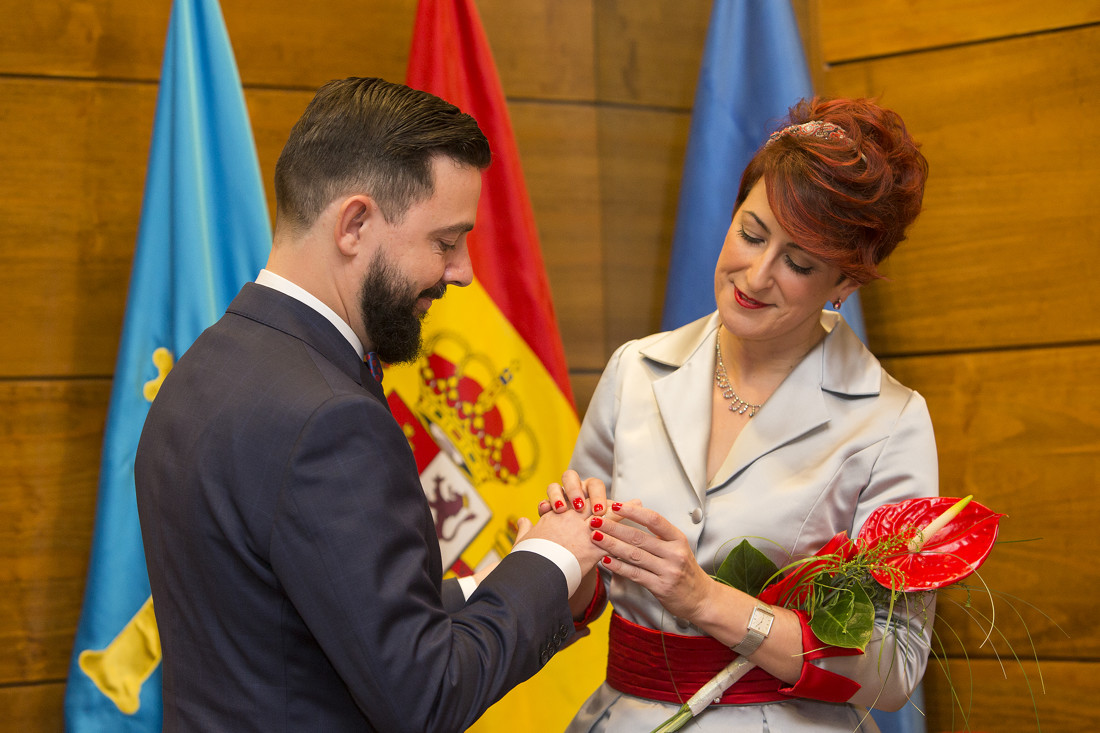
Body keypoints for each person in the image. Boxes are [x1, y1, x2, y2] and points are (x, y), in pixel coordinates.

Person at [135, 77, 610, 733]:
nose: (464, 272)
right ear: (355, 224)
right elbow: (425, 693)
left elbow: (316, 614)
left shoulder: (205, 367)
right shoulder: (331, 417)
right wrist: (556, 554)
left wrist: (526, 580)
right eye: (445, 241)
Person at [546, 98, 937, 732]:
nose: (755, 275)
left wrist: (705, 599)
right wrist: (564, 549)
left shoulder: (889, 421)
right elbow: (587, 594)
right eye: (751, 234)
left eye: (800, 263)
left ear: (845, 284)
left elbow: (893, 669)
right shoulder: (635, 370)